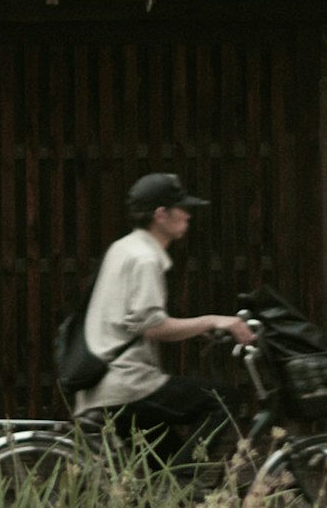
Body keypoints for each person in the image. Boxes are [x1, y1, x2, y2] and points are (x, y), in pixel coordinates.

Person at [76, 172, 257, 456]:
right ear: (161, 214)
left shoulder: (122, 248)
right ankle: (189, 481)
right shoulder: (145, 258)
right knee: (223, 399)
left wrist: (198, 329)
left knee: (164, 466)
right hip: (127, 383)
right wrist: (214, 320)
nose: (188, 216)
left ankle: (175, 494)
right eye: (182, 208)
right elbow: (152, 326)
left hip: (102, 384)